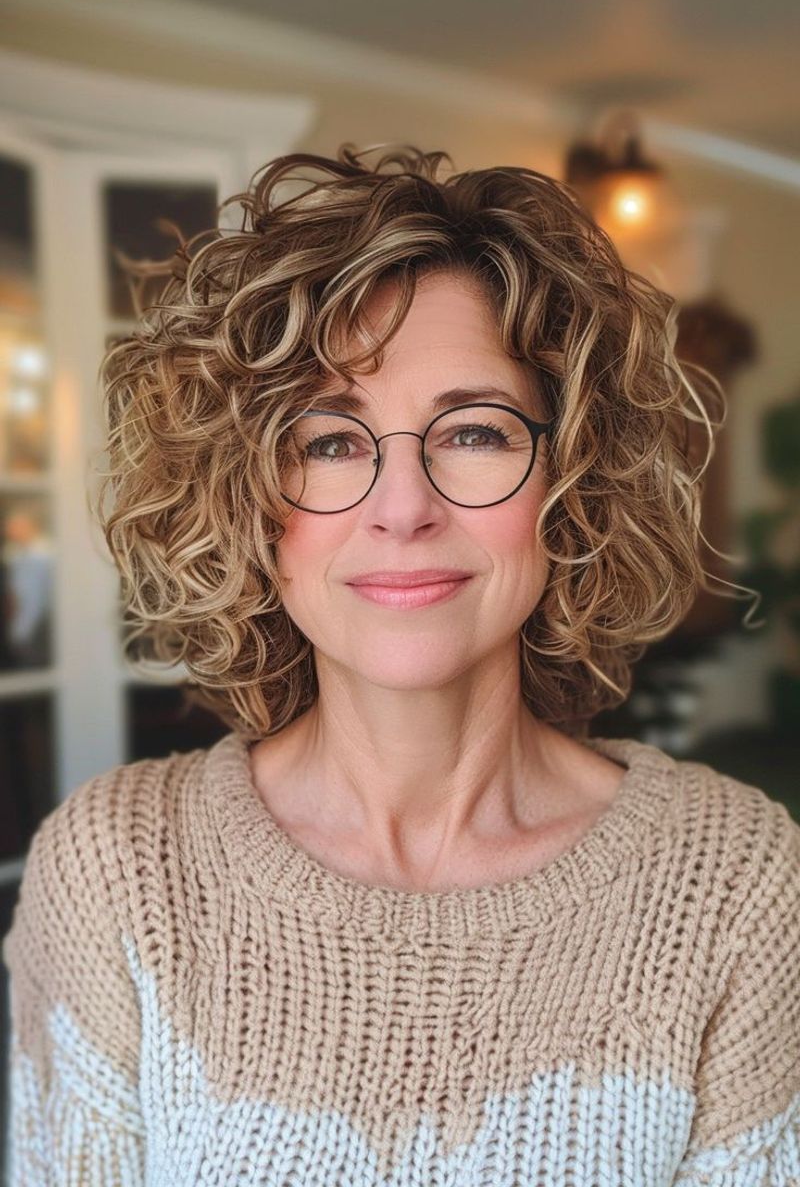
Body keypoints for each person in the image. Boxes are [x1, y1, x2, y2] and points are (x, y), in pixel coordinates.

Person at [3, 144, 798, 1185]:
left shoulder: (735, 885)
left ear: (572, 485)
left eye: (471, 432)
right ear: (250, 503)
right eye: (329, 442)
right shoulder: (117, 872)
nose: (403, 506)